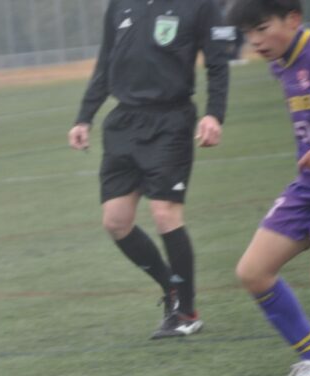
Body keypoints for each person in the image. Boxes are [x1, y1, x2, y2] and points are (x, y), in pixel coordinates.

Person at [67, 0, 233, 339]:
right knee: (116, 222)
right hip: (124, 122)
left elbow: (217, 63)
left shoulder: (199, 5)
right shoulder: (120, 5)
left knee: (164, 214)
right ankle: (171, 287)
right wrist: (84, 117)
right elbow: (105, 61)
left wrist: (214, 114)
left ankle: (186, 312)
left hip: (170, 121)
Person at [229, 0, 310, 376]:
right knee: (253, 271)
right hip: (307, 189)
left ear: (293, 19)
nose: (255, 41)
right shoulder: (282, 63)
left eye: (262, 28)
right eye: (248, 34)